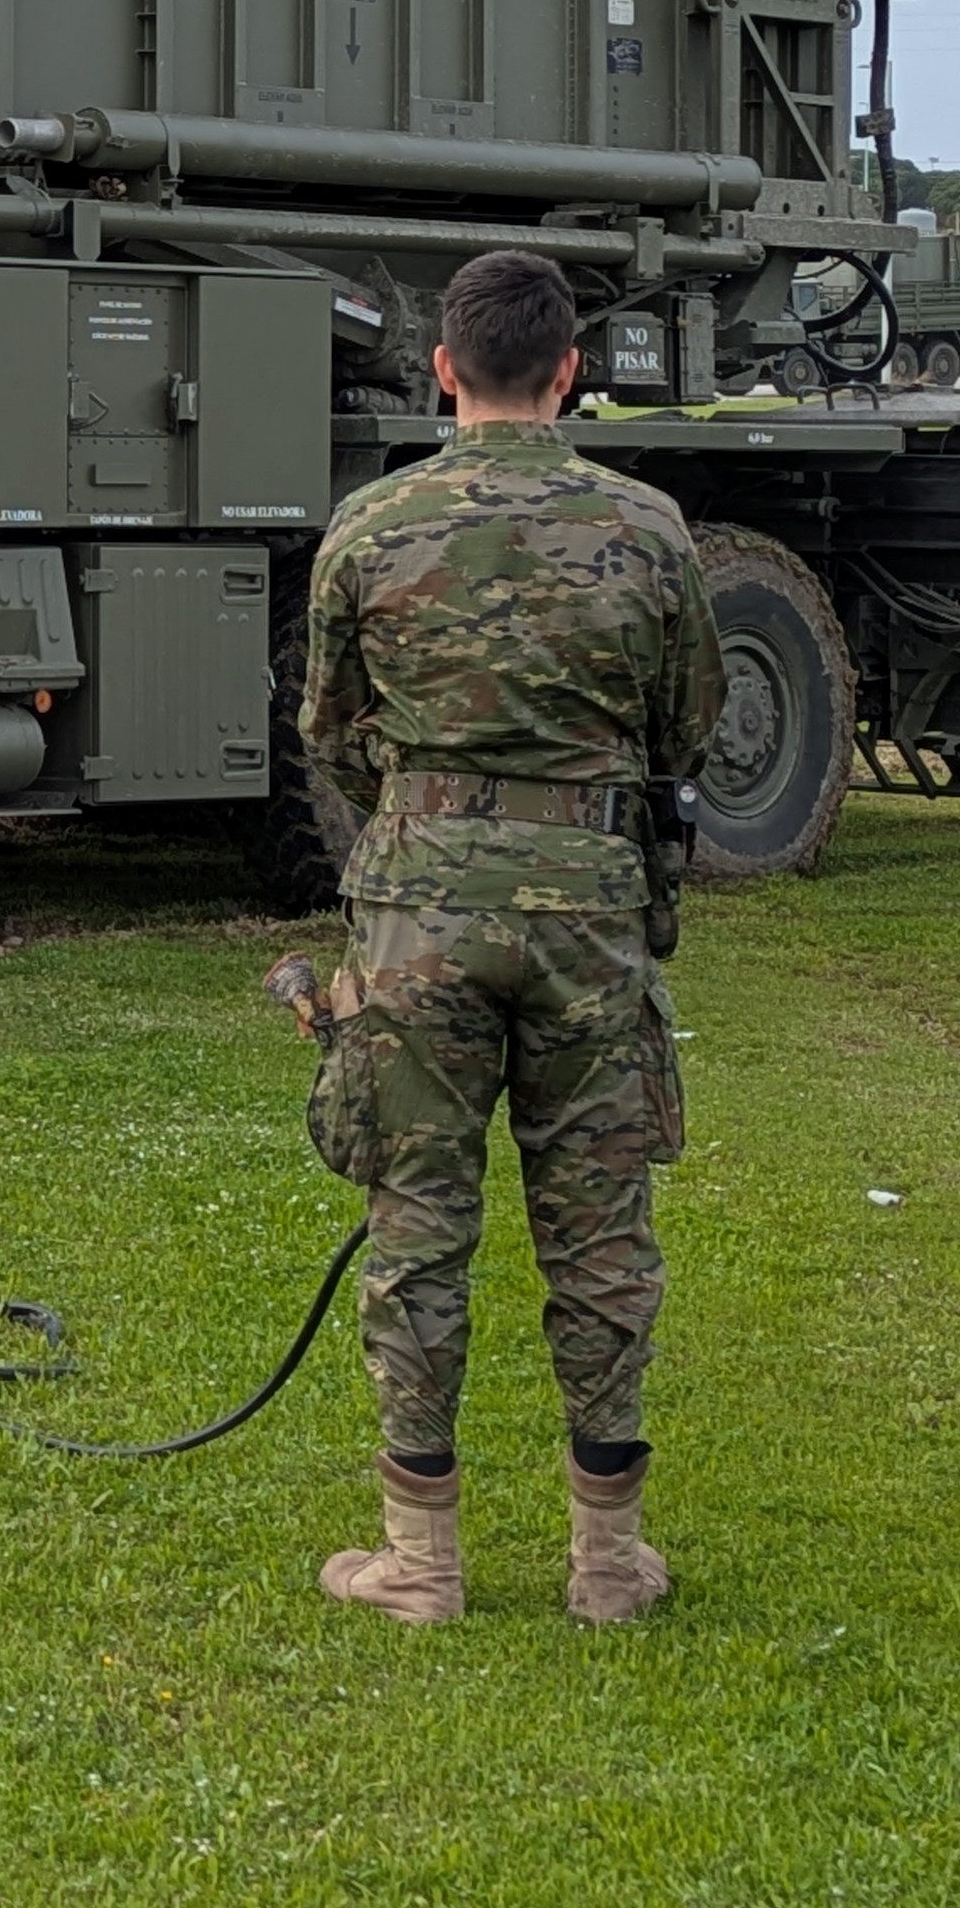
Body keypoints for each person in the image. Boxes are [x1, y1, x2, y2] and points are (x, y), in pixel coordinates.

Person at [292, 248, 719, 1626]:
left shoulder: (370, 529)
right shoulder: (648, 529)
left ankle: (420, 1561)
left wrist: (430, 818)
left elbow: (331, 735)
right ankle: (607, 1562)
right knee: (599, 1229)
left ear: (443, 370)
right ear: (571, 372)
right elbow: (690, 726)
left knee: (419, 1221)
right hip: (589, 908)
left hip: (420, 908)